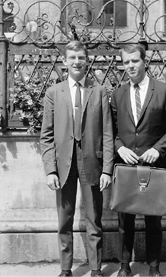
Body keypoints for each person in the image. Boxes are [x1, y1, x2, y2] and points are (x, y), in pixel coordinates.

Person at [40, 40, 114, 277]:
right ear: (64, 62)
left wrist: (107, 170)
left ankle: (95, 268)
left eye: (81, 57)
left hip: (92, 163)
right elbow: (47, 135)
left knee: (94, 220)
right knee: (64, 220)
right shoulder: (54, 93)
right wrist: (50, 170)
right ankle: (65, 269)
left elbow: (107, 133)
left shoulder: (99, 91)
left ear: (87, 60)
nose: (77, 62)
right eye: (72, 58)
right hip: (64, 165)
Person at [110, 44, 166, 277]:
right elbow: (110, 132)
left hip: (155, 166)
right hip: (126, 166)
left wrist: (157, 149)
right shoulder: (118, 93)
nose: (130, 66)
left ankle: (154, 268)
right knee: (125, 219)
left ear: (144, 61)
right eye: (126, 62)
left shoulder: (163, 90)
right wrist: (119, 148)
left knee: (153, 220)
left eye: (135, 61)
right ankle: (124, 267)